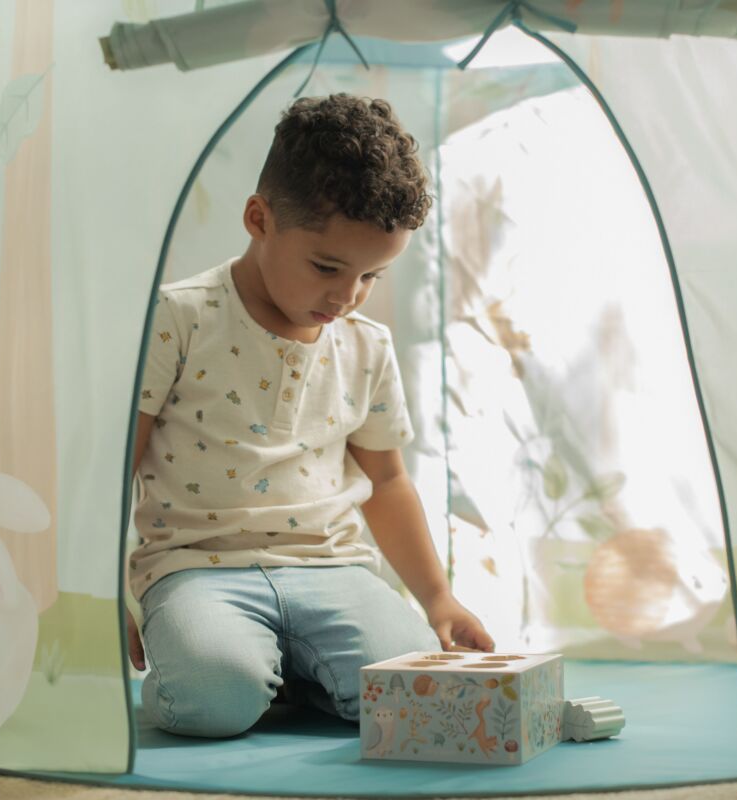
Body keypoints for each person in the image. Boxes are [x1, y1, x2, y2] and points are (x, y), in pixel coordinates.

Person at [127, 93, 494, 738]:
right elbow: (113, 467)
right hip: (196, 570)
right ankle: (247, 673)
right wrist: (97, 590)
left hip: (333, 569)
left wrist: (438, 598)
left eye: (372, 277)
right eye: (327, 267)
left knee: (413, 693)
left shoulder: (366, 346)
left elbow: (386, 483)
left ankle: (288, 675)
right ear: (258, 219)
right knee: (214, 698)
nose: (346, 297)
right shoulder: (179, 317)